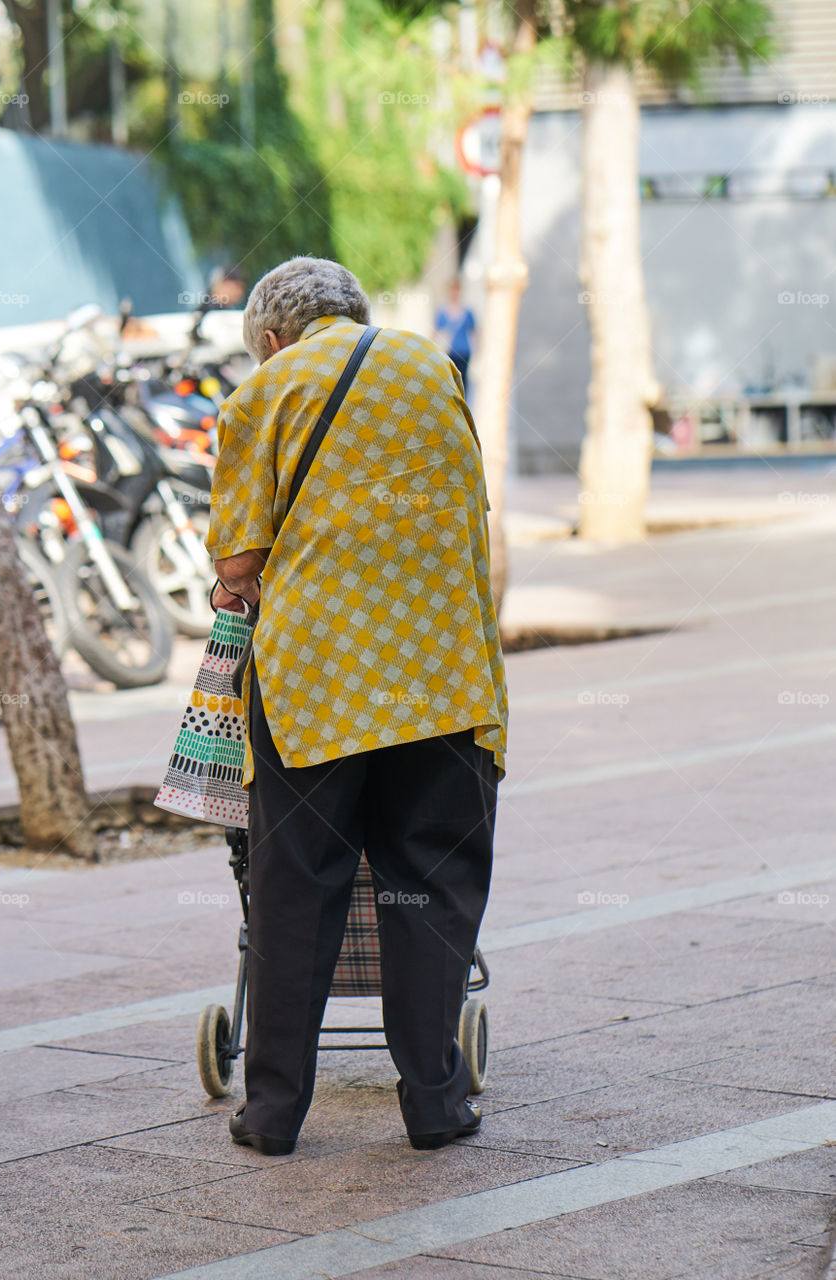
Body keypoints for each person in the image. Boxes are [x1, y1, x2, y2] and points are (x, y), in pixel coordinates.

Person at [207, 256, 507, 1156]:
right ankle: (436, 1105)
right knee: (431, 887)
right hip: (442, 680)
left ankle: (270, 1116)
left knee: (296, 890)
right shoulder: (432, 369)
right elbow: (471, 516)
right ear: (358, 316)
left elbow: (236, 565)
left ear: (270, 338)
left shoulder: (261, 395)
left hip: (317, 687)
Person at [434, 278, 476, 398]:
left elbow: (474, 333)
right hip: (449, 352)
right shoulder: (442, 311)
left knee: (463, 383)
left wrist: (477, 353)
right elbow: (436, 332)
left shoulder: (467, 312)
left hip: (464, 352)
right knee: (449, 382)